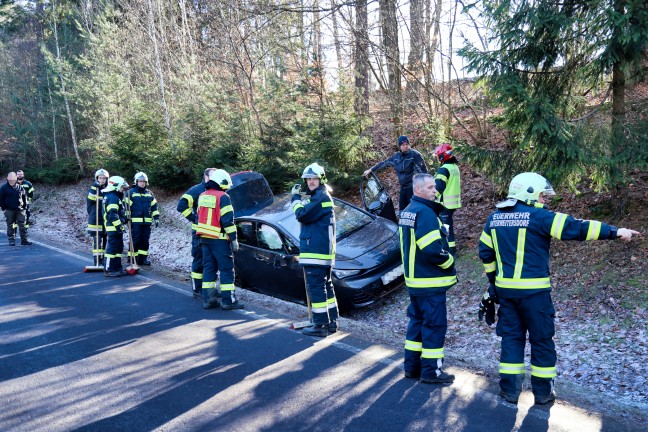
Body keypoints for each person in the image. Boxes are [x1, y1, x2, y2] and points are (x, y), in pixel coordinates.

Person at [478, 172, 640, 405]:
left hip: (507, 294)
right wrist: (615, 232)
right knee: (542, 340)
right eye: (543, 196)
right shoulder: (539, 217)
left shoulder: (494, 218)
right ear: (530, 192)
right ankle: (543, 393)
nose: (545, 201)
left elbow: (485, 253)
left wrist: (494, 282)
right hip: (535, 295)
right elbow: (577, 228)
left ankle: (510, 391)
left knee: (511, 339)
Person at [399, 173, 456, 383]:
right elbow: (432, 250)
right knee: (434, 326)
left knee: (416, 324)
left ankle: (411, 368)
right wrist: (449, 262)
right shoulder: (425, 213)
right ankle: (432, 372)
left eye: (434, 187)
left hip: (414, 282)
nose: (435, 190)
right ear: (418, 190)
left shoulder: (408, 211)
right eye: (430, 187)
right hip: (429, 282)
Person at [291, 163, 339, 337]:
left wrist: (295, 199)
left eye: (314, 178)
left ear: (321, 179)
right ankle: (332, 322)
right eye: (308, 179)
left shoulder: (320, 198)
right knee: (326, 286)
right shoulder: (321, 196)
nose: (311, 181)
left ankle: (319, 326)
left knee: (316, 288)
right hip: (323, 253)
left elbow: (301, 214)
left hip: (316, 253)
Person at [196, 169, 244, 310]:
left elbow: (199, 216)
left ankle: (209, 300)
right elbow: (227, 220)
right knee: (226, 270)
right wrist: (234, 239)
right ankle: (228, 301)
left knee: (209, 269)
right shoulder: (223, 197)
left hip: (205, 239)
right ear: (222, 183)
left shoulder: (202, 195)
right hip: (220, 239)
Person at [177, 168, 216, 298]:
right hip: (199, 232)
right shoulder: (196, 190)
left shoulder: (216, 190)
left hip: (212, 233)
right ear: (205, 177)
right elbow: (181, 205)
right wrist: (195, 218)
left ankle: (209, 290)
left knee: (210, 262)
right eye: (212, 176)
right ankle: (197, 289)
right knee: (199, 260)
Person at [363, 135, 428, 211]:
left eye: (407, 144)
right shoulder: (396, 157)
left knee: (413, 210)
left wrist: (425, 187)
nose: (405, 146)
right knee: (402, 210)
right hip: (403, 187)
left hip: (413, 187)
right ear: (399, 146)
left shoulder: (415, 155)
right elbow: (384, 163)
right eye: (403, 145)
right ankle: (402, 222)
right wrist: (371, 170)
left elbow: (424, 171)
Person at [125, 172, 160, 266]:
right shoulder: (130, 193)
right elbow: (126, 207)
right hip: (135, 222)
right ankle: (132, 258)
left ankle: (142, 259)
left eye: (144, 181)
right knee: (135, 240)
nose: (142, 183)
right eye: (140, 181)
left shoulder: (149, 193)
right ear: (136, 182)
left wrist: (156, 218)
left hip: (147, 223)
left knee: (145, 240)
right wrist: (127, 218)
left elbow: (154, 207)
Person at [433, 144, 461, 256]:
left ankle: (449, 251)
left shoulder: (444, 169)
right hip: (452, 203)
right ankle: (451, 249)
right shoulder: (454, 167)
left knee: (445, 228)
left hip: (444, 203)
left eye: (438, 156)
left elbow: (439, 186)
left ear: (442, 156)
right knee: (448, 226)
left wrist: (430, 198)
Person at [102, 176, 129, 277]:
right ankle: (109, 269)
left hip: (115, 227)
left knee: (118, 248)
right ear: (116, 187)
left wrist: (124, 219)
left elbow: (118, 212)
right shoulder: (113, 197)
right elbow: (112, 214)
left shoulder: (113, 196)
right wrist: (119, 226)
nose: (123, 190)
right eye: (122, 187)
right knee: (112, 249)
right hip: (112, 227)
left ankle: (117, 268)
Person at [0, 172, 32, 246]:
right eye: (10, 177)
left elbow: (24, 198)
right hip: (9, 210)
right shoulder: (3, 188)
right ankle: (11, 240)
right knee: (10, 225)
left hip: (20, 210)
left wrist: (24, 207)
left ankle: (24, 240)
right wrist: (4, 209)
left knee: (22, 225)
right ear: (7, 178)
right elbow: (1, 199)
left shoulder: (20, 187)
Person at [87, 169, 110, 265]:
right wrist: (94, 187)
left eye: (104, 178)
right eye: (100, 178)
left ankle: (104, 260)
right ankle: (97, 260)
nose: (102, 180)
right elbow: (90, 199)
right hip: (95, 219)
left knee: (106, 241)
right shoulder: (93, 189)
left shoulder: (108, 190)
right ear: (97, 178)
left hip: (105, 219)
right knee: (97, 241)